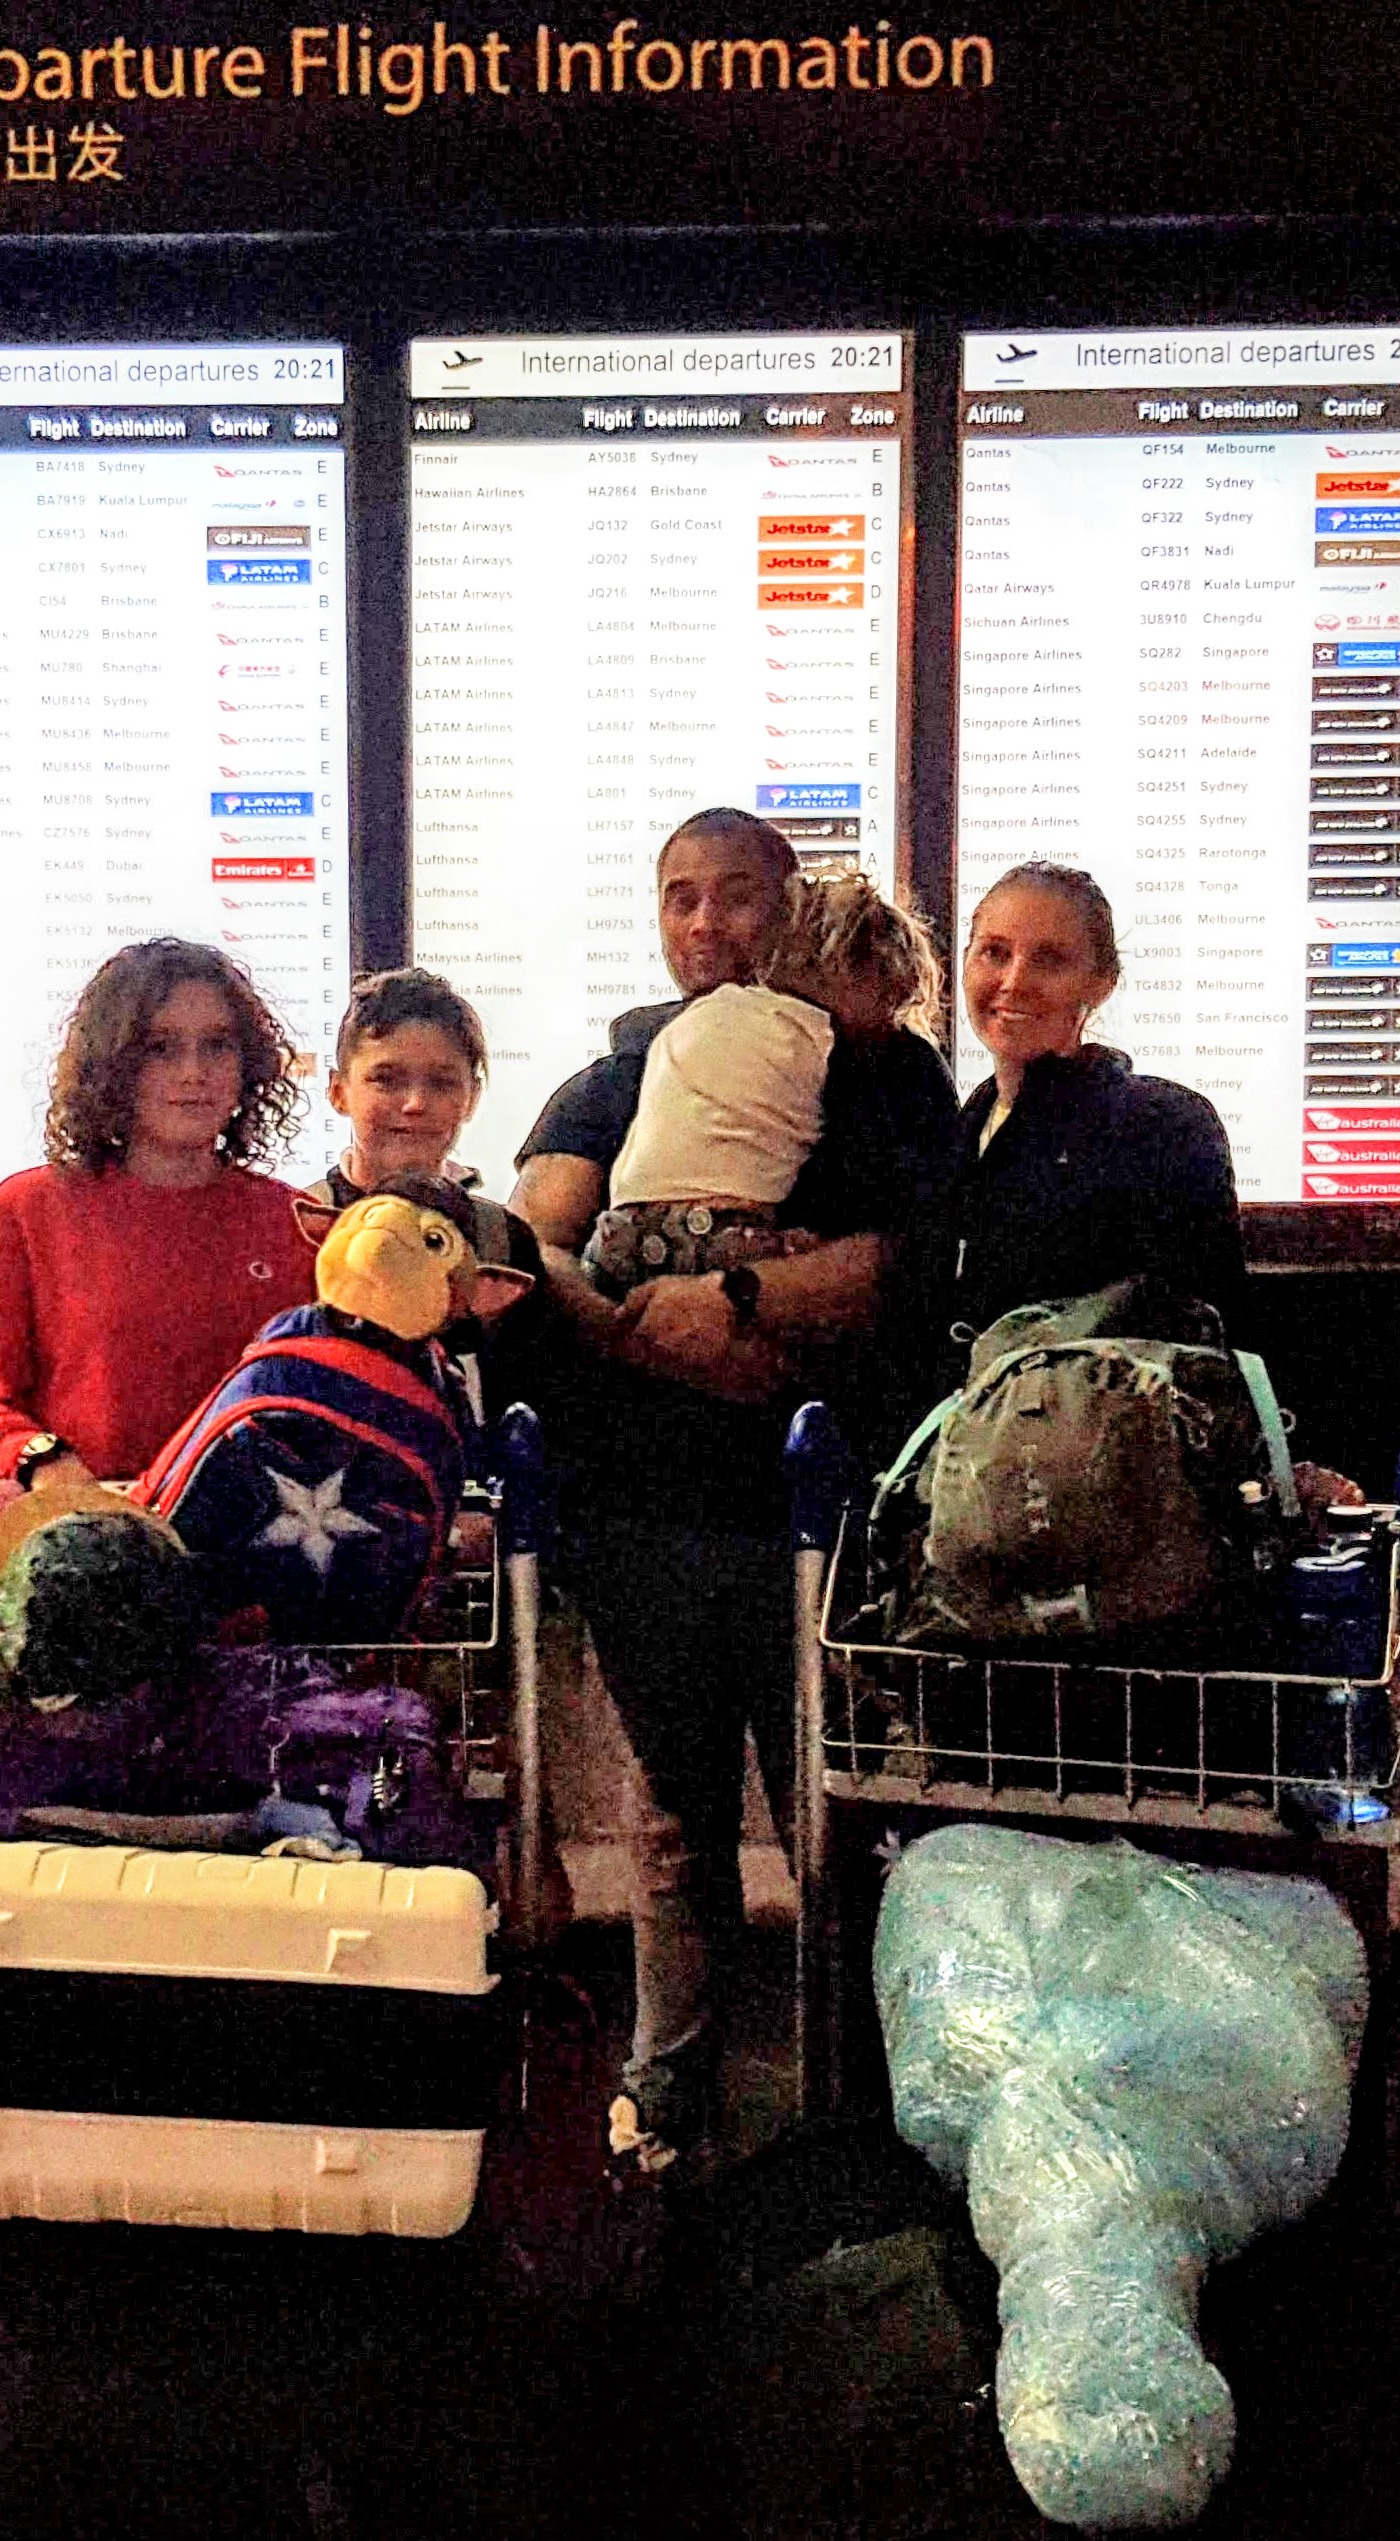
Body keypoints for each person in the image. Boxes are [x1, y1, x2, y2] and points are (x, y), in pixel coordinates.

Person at [511, 811, 959, 2176]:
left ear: (794, 910)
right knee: (670, 1826)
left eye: (739, 897)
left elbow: (904, 1261)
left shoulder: (879, 1067)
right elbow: (538, 1245)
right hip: (639, 1511)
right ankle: (668, 2093)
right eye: (680, 897)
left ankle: (865, 2109)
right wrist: (652, 1334)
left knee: (842, 1817)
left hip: (817, 1522)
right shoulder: (613, 1076)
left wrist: (741, 1296)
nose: (706, 924)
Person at [0, 940, 318, 1495]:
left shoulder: (295, 1222)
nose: (194, 1073)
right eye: (161, 1048)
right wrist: (42, 1459)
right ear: (113, 1066)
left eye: (217, 1046)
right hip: (80, 1523)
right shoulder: (29, 1209)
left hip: (253, 1530)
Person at [884, 861, 1248, 1402]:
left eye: (1049, 960)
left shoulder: (1164, 1126)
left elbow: (1209, 1335)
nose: (1013, 981)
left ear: (1102, 983)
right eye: (994, 953)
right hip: (965, 1446)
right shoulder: (961, 1133)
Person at [584, 871, 942, 1299]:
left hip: (616, 1236)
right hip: (720, 1238)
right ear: (861, 973)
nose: (890, 1020)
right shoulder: (830, 1041)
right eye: (889, 999)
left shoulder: (696, 1016)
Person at [303, 967, 540, 1415]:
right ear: (339, 1091)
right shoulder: (299, 1224)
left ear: (471, 1097)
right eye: (386, 1079)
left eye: (442, 1082)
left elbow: (529, 1402)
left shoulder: (505, 1242)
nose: (415, 1103)